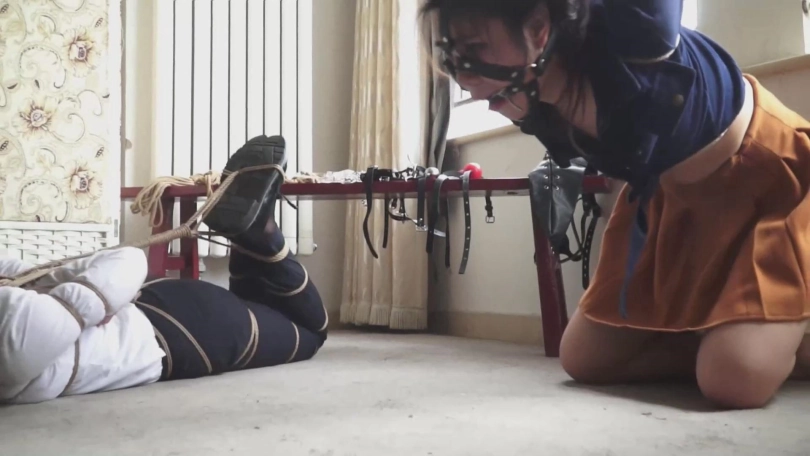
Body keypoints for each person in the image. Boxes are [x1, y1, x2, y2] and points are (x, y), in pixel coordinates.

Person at [419, 0, 810, 409]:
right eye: (453, 52)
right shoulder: (532, 97)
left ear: (537, 28)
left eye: (476, 48)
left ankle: (755, 352)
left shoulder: (635, 26)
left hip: (768, 184)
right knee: (583, 359)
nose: (463, 75)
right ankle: (734, 346)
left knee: (731, 384)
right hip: (669, 200)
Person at [0, 135, 328, 405]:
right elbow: (128, 260)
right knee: (303, 328)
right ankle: (259, 235)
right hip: (176, 322)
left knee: (294, 326)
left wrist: (88, 304)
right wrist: (89, 300)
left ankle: (259, 234)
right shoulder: (11, 335)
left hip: (180, 326)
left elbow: (20, 273)